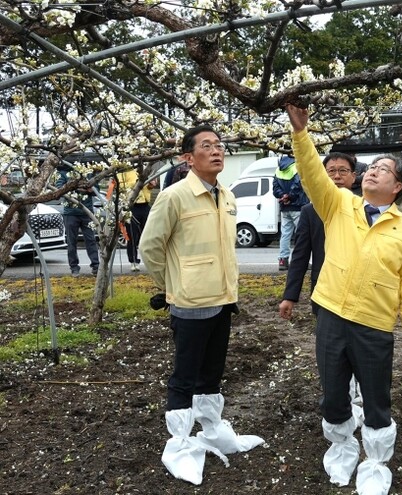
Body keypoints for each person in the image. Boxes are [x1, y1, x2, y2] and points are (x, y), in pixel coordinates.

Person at [286, 103, 402, 495]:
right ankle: (342, 447)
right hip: (331, 315)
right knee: (333, 393)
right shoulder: (339, 205)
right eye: (372, 167)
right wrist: (301, 134)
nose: (374, 171)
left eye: (384, 169)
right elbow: (311, 174)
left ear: (397, 187)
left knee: (376, 397)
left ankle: (376, 463)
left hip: (373, 325)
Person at [140, 125, 263, 485]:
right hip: (190, 302)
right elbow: (150, 247)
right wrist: (171, 285)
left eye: (219, 145)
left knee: (211, 373)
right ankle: (180, 445)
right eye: (206, 146)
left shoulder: (226, 195)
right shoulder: (175, 196)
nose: (216, 151)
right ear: (188, 158)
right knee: (185, 376)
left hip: (223, 299)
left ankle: (212, 430)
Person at [279, 152, 356, 319]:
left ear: (353, 176)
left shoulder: (365, 208)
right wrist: (290, 296)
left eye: (343, 171)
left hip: (358, 291)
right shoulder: (309, 211)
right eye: (331, 171)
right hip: (324, 291)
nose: (337, 176)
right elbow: (300, 256)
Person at [55, 165, 100, 277]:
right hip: (70, 213)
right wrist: (76, 187)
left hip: (87, 212)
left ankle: (96, 265)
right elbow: (60, 189)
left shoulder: (88, 173)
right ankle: (74, 267)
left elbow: (96, 189)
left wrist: (88, 189)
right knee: (71, 241)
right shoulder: (64, 173)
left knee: (91, 240)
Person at [273, 154, 309, 271]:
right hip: (298, 205)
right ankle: (300, 261)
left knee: (285, 234)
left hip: (285, 207)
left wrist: (283, 196)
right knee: (301, 234)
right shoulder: (297, 167)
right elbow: (298, 185)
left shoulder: (278, 170)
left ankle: (283, 260)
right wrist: (289, 197)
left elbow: (275, 189)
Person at [116, 168, 156, 272]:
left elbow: (150, 187)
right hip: (132, 205)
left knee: (148, 235)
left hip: (145, 204)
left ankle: (151, 260)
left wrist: (151, 184)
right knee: (132, 236)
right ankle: (133, 261)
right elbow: (120, 187)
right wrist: (137, 182)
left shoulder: (144, 169)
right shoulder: (123, 171)